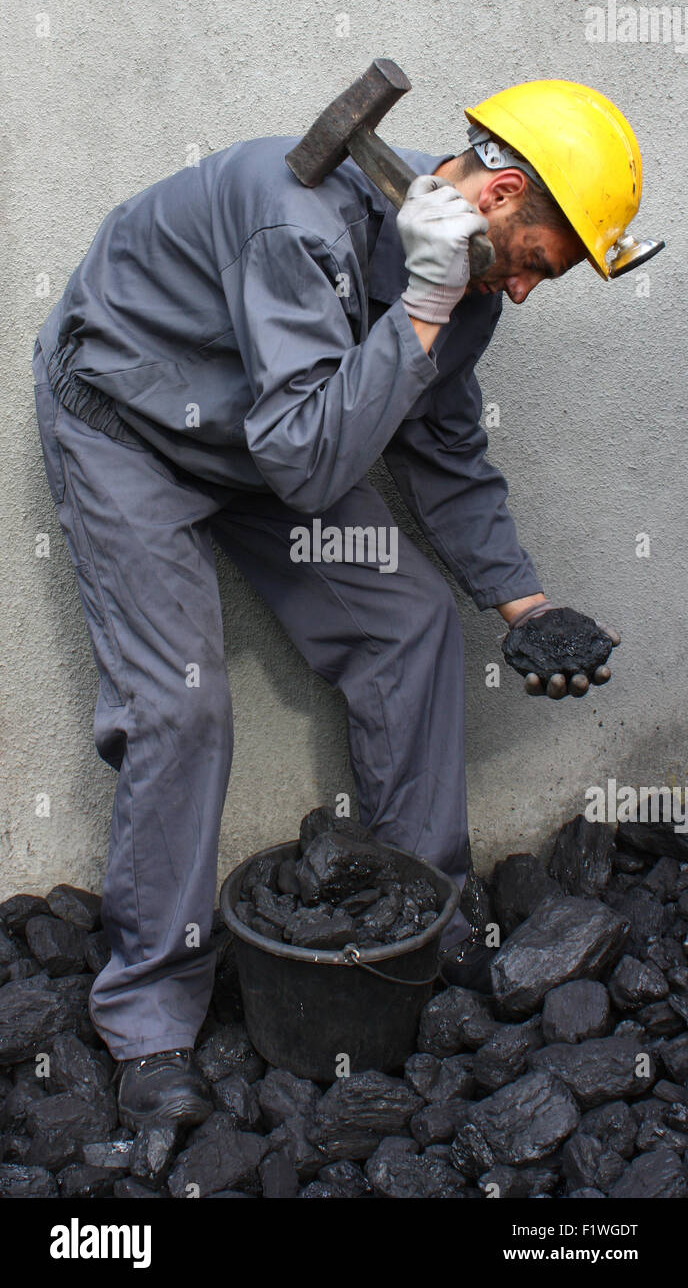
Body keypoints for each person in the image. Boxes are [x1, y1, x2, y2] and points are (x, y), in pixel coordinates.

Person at [31, 79, 656, 1129]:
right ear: (503, 195)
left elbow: (443, 455)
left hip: (266, 454)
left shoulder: (458, 288)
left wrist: (522, 604)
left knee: (407, 621)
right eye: (540, 263)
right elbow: (313, 464)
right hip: (128, 428)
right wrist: (418, 306)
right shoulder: (300, 221)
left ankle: (420, 916)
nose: (527, 292)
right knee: (181, 709)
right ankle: (148, 1022)